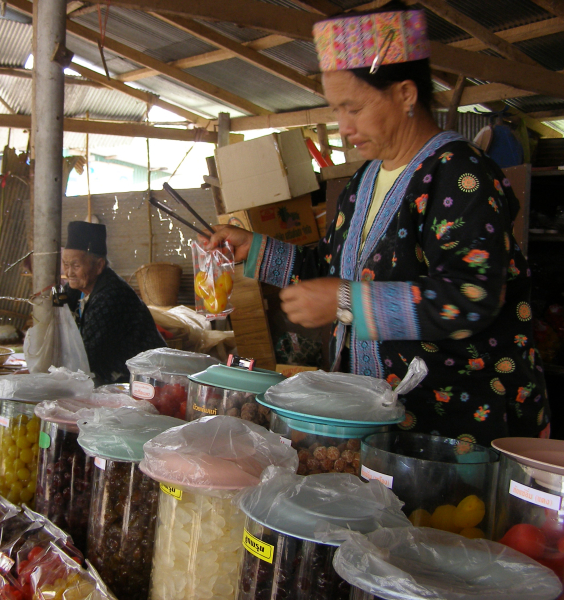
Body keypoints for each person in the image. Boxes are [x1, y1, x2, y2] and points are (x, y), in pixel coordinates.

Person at [208, 6, 550, 445]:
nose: (343, 126)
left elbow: (473, 295)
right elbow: (332, 270)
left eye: (353, 108)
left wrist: (346, 301)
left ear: (406, 93)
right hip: (374, 418)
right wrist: (254, 250)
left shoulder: (461, 174)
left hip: (452, 425)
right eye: (336, 109)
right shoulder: (364, 181)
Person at [62, 220, 166, 385]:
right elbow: (58, 308)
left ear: (99, 266)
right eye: (65, 265)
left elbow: (86, 355)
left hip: (145, 379)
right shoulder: (78, 285)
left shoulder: (111, 295)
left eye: (75, 265)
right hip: (115, 375)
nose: (68, 273)